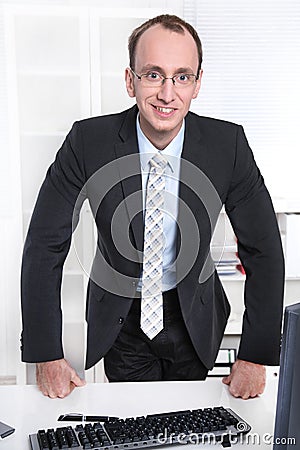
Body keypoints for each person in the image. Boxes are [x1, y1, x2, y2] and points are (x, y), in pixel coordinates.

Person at [21, 14, 284, 400]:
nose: (167, 93)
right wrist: (46, 354)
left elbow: (263, 250)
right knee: (130, 429)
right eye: (153, 74)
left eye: (182, 76)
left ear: (197, 84)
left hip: (194, 315)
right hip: (121, 318)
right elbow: (45, 245)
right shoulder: (87, 142)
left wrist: (255, 356)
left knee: (195, 428)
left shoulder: (228, 146)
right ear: (131, 80)